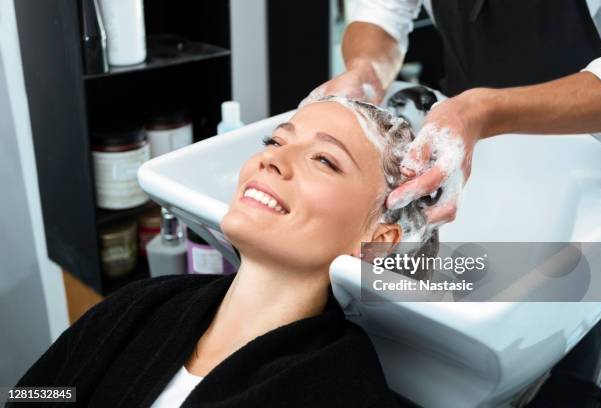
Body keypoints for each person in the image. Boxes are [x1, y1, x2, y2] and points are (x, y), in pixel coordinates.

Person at [8, 97, 436, 408]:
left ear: (378, 242)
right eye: (275, 141)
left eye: (324, 160)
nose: (273, 160)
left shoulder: (341, 389)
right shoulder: (140, 305)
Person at [314, 0, 601, 227]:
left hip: (593, 160)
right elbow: (381, 12)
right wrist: (366, 70)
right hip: (474, 150)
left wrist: (480, 111)